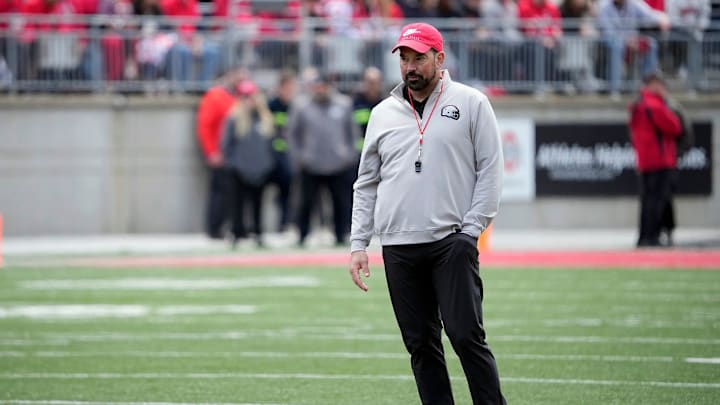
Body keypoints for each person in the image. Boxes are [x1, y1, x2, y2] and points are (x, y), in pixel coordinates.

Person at [348, 22, 506, 405]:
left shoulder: (471, 103)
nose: (410, 66)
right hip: (399, 247)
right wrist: (358, 244)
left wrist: (471, 231)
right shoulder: (382, 113)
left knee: (466, 336)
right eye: (404, 58)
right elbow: (366, 182)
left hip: (450, 241)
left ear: (439, 58)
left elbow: (491, 170)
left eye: (418, 57)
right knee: (420, 346)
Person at [287, 69, 359, 247]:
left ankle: (340, 234)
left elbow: (353, 132)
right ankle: (302, 234)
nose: (320, 90)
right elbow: (292, 134)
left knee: (341, 202)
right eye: (317, 86)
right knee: (305, 203)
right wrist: (299, 157)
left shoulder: (343, 104)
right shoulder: (302, 106)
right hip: (310, 163)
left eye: (323, 86)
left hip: (338, 163)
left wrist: (348, 155)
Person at [628, 71, 682, 247]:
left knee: (647, 201)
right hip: (660, 160)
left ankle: (644, 236)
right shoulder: (654, 105)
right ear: (652, 85)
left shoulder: (638, 105)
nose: (663, 88)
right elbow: (675, 127)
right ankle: (653, 237)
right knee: (658, 200)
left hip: (645, 160)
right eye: (660, 84)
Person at [221, 80, 276, 247]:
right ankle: (236, 233)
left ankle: (258, 233)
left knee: (258, 204)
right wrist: (234, 164)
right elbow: (226, 145)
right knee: (237, 204)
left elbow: (271, 144)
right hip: (239, 169)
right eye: (245, 96)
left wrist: (268, 164)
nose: (248, 100)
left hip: (260, 169)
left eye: (251, 96)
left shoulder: (265, 119)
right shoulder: (234, 118)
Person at [196, 68, 247, 239]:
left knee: (234, 194)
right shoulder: (216, 96)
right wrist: (211, 152)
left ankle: (234, 227)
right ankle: (215, 228)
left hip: (235, 156)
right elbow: (205, 126)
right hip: (220, 154)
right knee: (219, 193)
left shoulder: (238, 97)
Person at [596, 0, 670, 99]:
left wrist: (662, 18)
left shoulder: (635, 3)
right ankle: (615, 89)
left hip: (633, 40)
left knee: (651, 44)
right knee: (617, 46)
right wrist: (626, 41)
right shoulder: (604, 6)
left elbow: (650, 15)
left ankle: (648, 88)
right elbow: (607, 32)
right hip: (611, 42)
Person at [267, 70, 298, 232]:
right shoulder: (271, 105)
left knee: (288, 192)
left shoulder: (295, 106)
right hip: (272, 155)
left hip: (289, 156)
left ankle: (286, 223)